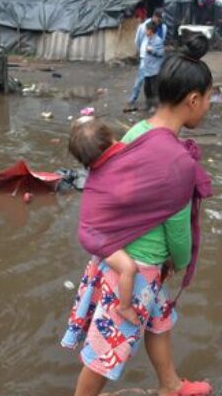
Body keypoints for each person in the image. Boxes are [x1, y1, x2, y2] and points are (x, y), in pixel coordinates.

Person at [62, 33, 214, 396]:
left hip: (120, 256)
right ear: (192, 100)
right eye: (209, 99)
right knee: (106, 350)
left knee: (159, 324)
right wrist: (180, 261)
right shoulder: (176, 161)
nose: (210, 105)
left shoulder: (137, 133)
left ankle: (170, 385)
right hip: (138, 268)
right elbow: (178, 231)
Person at [68, 117, 141, 325]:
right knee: (128, 268)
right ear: (110, 139)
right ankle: (124, 307)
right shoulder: (113, 166)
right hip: (96, 237)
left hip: (92, 230)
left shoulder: (99, 168)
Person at [126, 10, 167, 112]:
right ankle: (138, 99)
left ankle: (154, 105)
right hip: (146, 58)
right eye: (159, 18)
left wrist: (152, 50)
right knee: (144, 82)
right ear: (154, 17)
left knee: (153, 85)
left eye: (161, 19)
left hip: (155, 63)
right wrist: (143, 52)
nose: (161, 21)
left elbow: (161, 49)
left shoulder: (162, 29)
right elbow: (138, 40)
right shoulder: (145, 26)